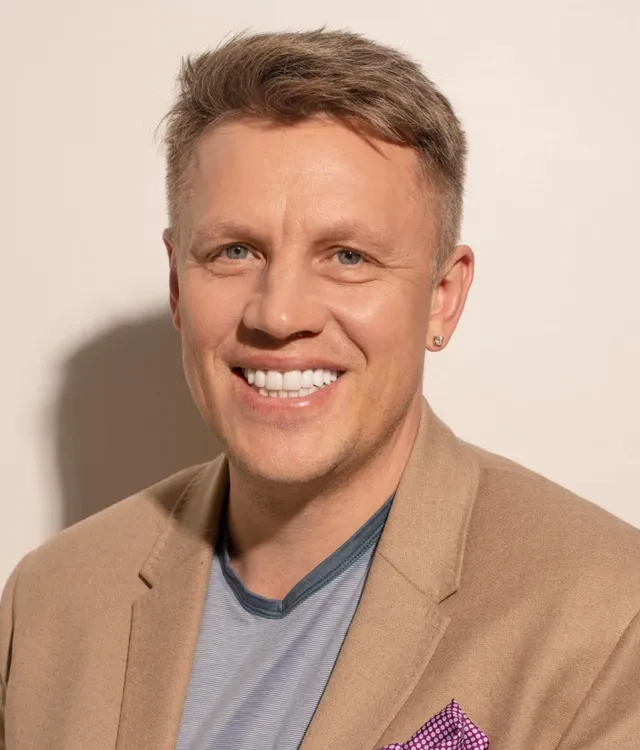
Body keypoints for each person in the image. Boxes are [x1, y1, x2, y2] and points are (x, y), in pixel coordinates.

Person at [1, 28, 639, 750]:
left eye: (348, 256)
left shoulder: (609, 618)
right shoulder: (49, 602)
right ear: (178, 283)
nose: (279, 315)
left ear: (442, 298)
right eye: (235, 251)